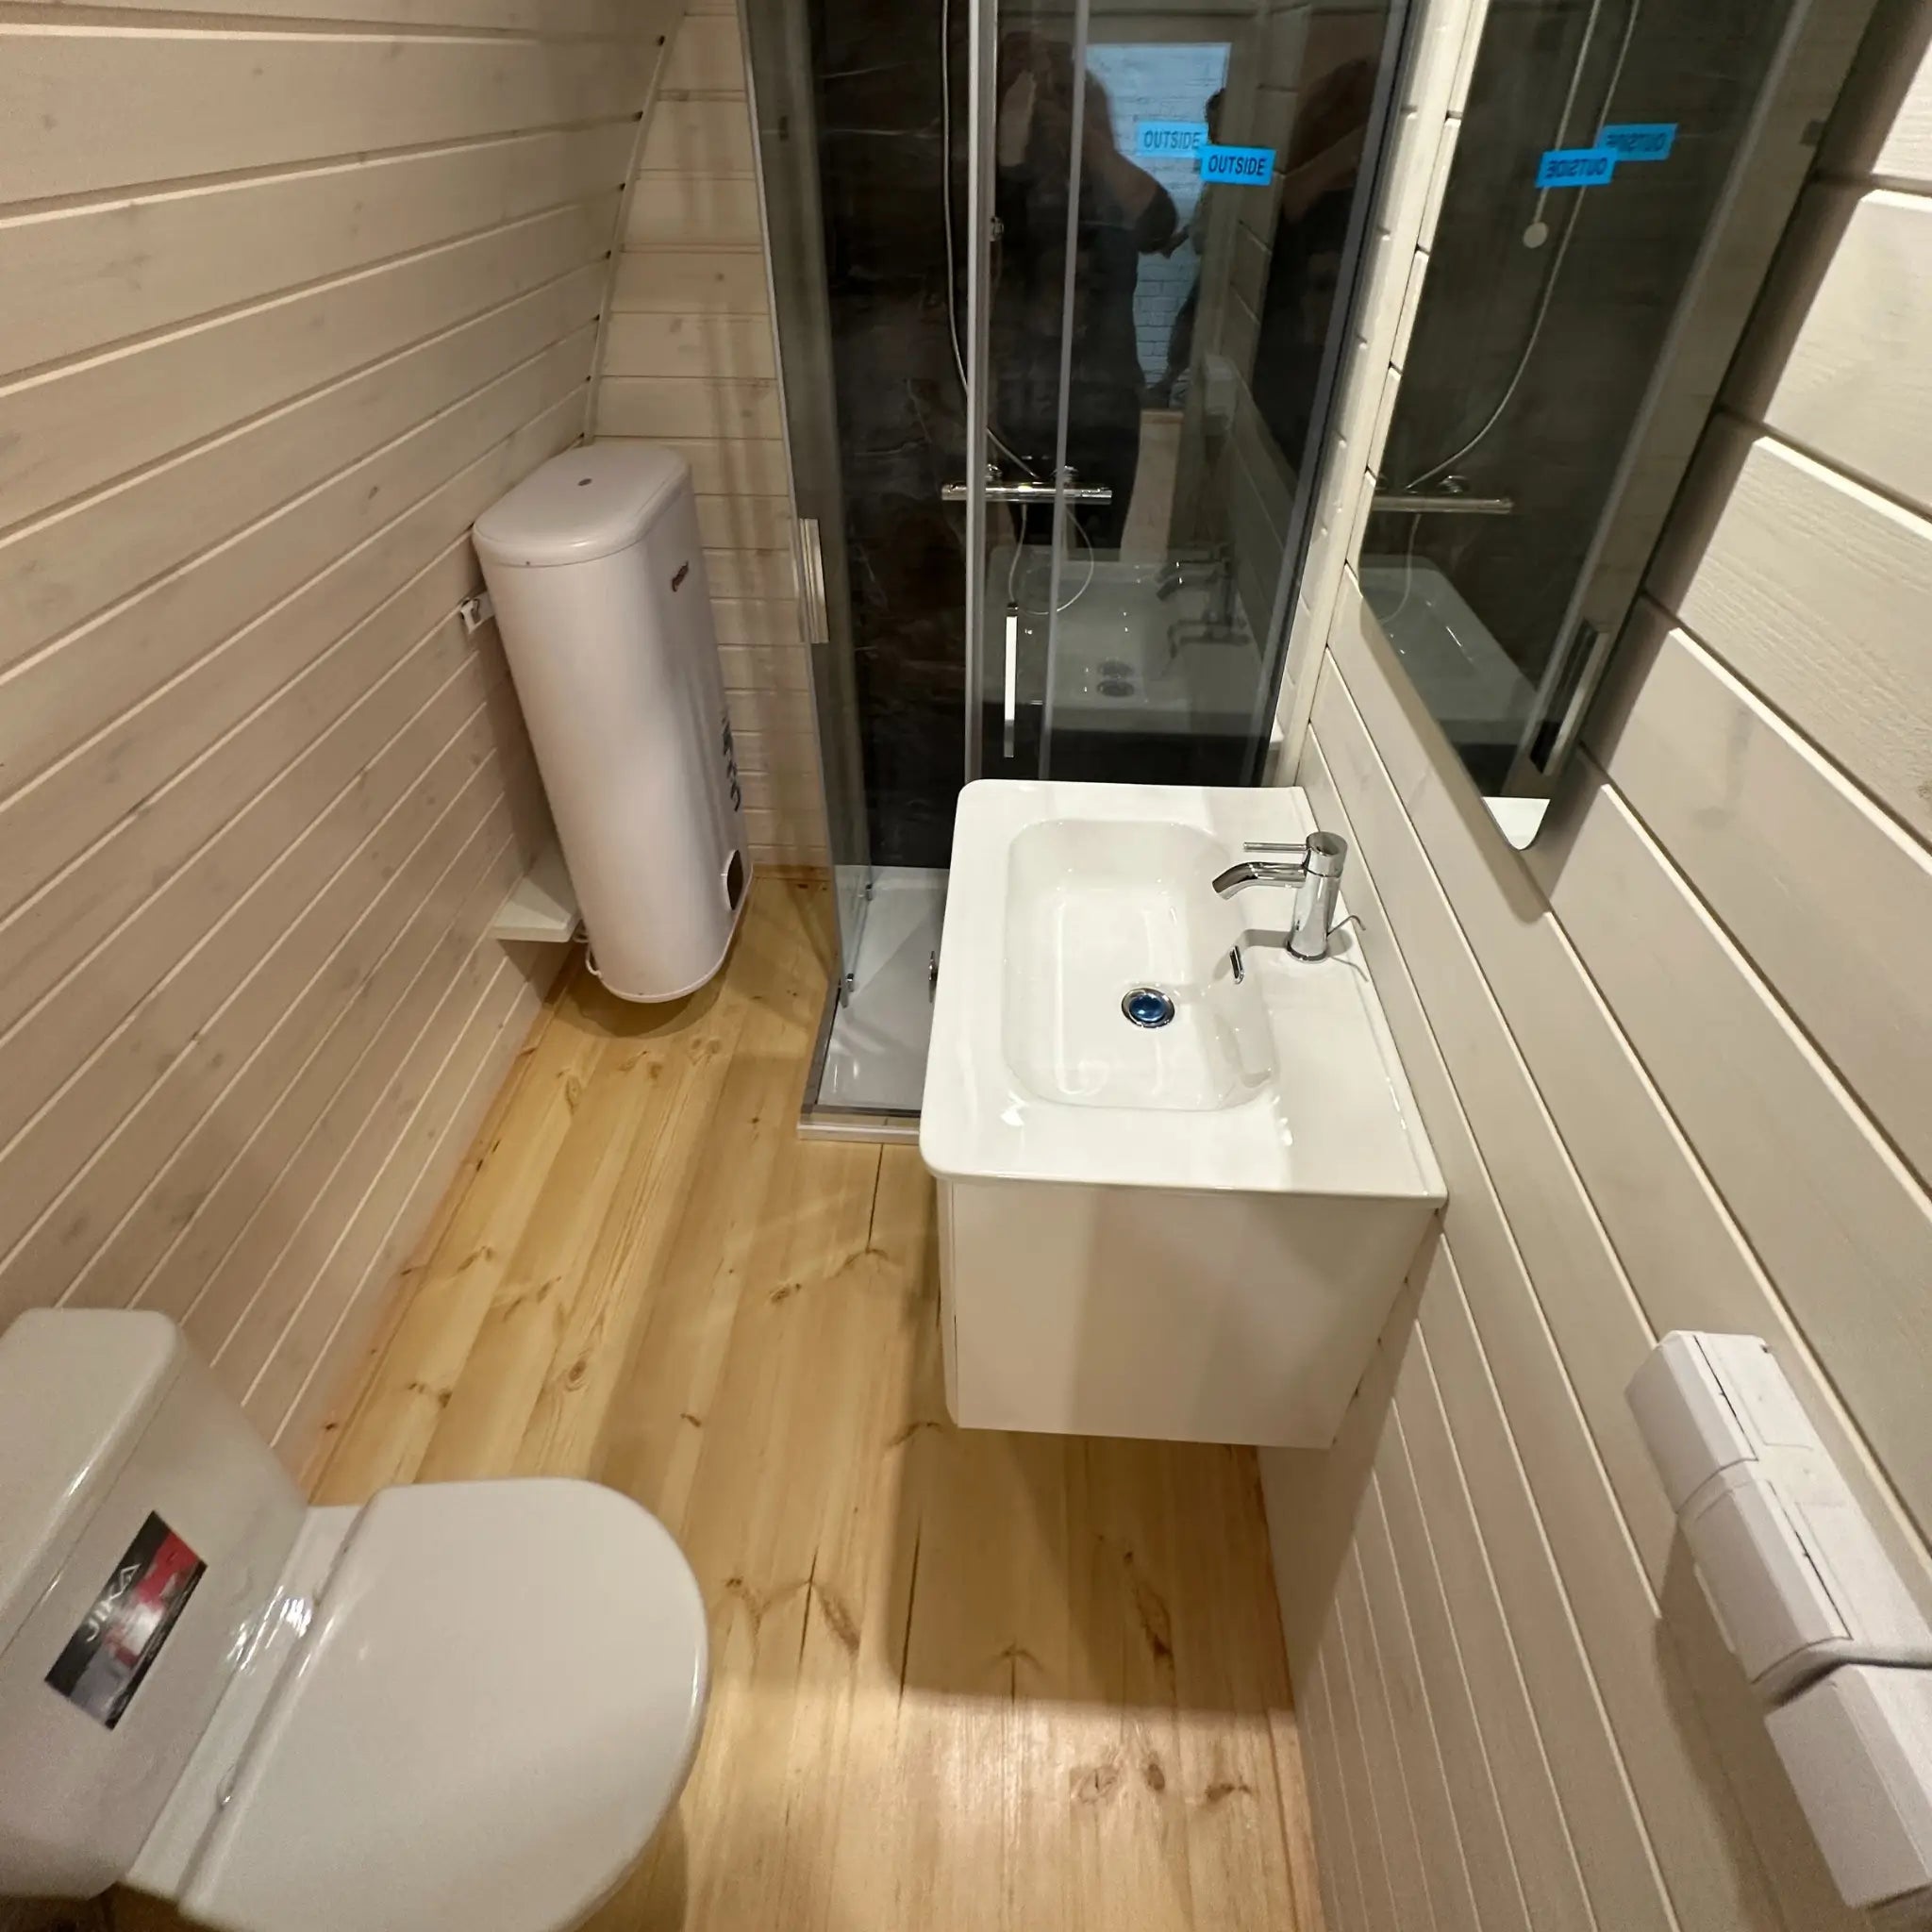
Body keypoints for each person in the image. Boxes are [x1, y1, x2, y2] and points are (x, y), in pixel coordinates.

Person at [990, 31, 1176, 549]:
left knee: (1103, 544)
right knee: (1034, 544)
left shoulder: (1111, 192)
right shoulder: (1012, 192)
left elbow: (1161, 223)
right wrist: (1014, 136)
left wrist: (1086, 137)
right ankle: (1031, 632)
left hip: (1108, 396)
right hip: (1029, 395)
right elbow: (989, 223)